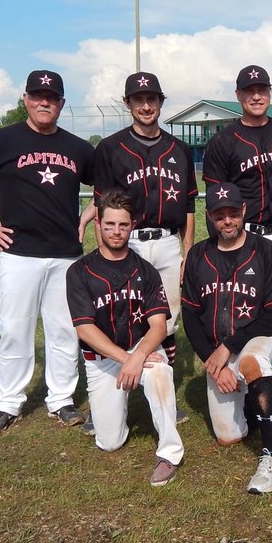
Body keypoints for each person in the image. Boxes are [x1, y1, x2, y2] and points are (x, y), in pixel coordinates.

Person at [0, 69, 95, 433]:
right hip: (18, 253)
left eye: (52, 97)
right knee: (15, 329)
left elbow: (108, 187)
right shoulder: (2, 141)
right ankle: (8, 402)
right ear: (26, 99)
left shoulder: (77, 147)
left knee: (64, 331)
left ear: (61, 103)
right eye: (38, 96)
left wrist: (87, 217)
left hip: (65, 254)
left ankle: (61, 400)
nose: (45, 102)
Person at [201, 65, 272, 418]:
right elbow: (214, 201)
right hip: (245, 236)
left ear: (270, 92)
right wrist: (218, 247)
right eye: (249, 90)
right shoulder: (223, 141)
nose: (256, 95)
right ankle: (248, 374)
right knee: (246, 307)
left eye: (261, 89)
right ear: (238, 95)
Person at [90, 71, 197, 425]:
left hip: (167, 242)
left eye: (152, 99)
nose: (146, 105)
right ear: (128, 103)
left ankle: (164, 398)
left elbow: (189, 207)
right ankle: (108, 396)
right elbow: (101, 208)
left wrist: (187, 252)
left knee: (166, 320)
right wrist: (103, 256)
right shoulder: (110, 148)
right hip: (128, 241)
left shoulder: (179, 149)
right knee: (116, 316)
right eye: (139, 99)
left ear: (161, 103)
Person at [66, 189, 183, 485]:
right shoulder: (79, 271)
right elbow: (85, 329)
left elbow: (158, 326)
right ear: (98, 225)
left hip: (139, 348)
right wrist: (126, 360)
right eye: (109, 225)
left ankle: (170, 453)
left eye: (122, 225)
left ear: (132, 226)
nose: (116, 231)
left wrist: (137, 357)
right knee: (110, 442)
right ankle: (118, 404)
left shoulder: (146, 270)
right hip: (103, 359)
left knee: (160, 372)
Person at [181, 183, 272, 494]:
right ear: (208, 216)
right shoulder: (198, 255)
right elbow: (190, 317)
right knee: (228, 436)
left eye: (232, 213)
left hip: (258, 339)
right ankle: (257, 403)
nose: (227, 221)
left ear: (243, 211)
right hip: (218, 351)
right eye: (219, 215)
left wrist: (228, 347)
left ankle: (271, 456)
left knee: (252, 361)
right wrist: (213, 362)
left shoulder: (266, 251)